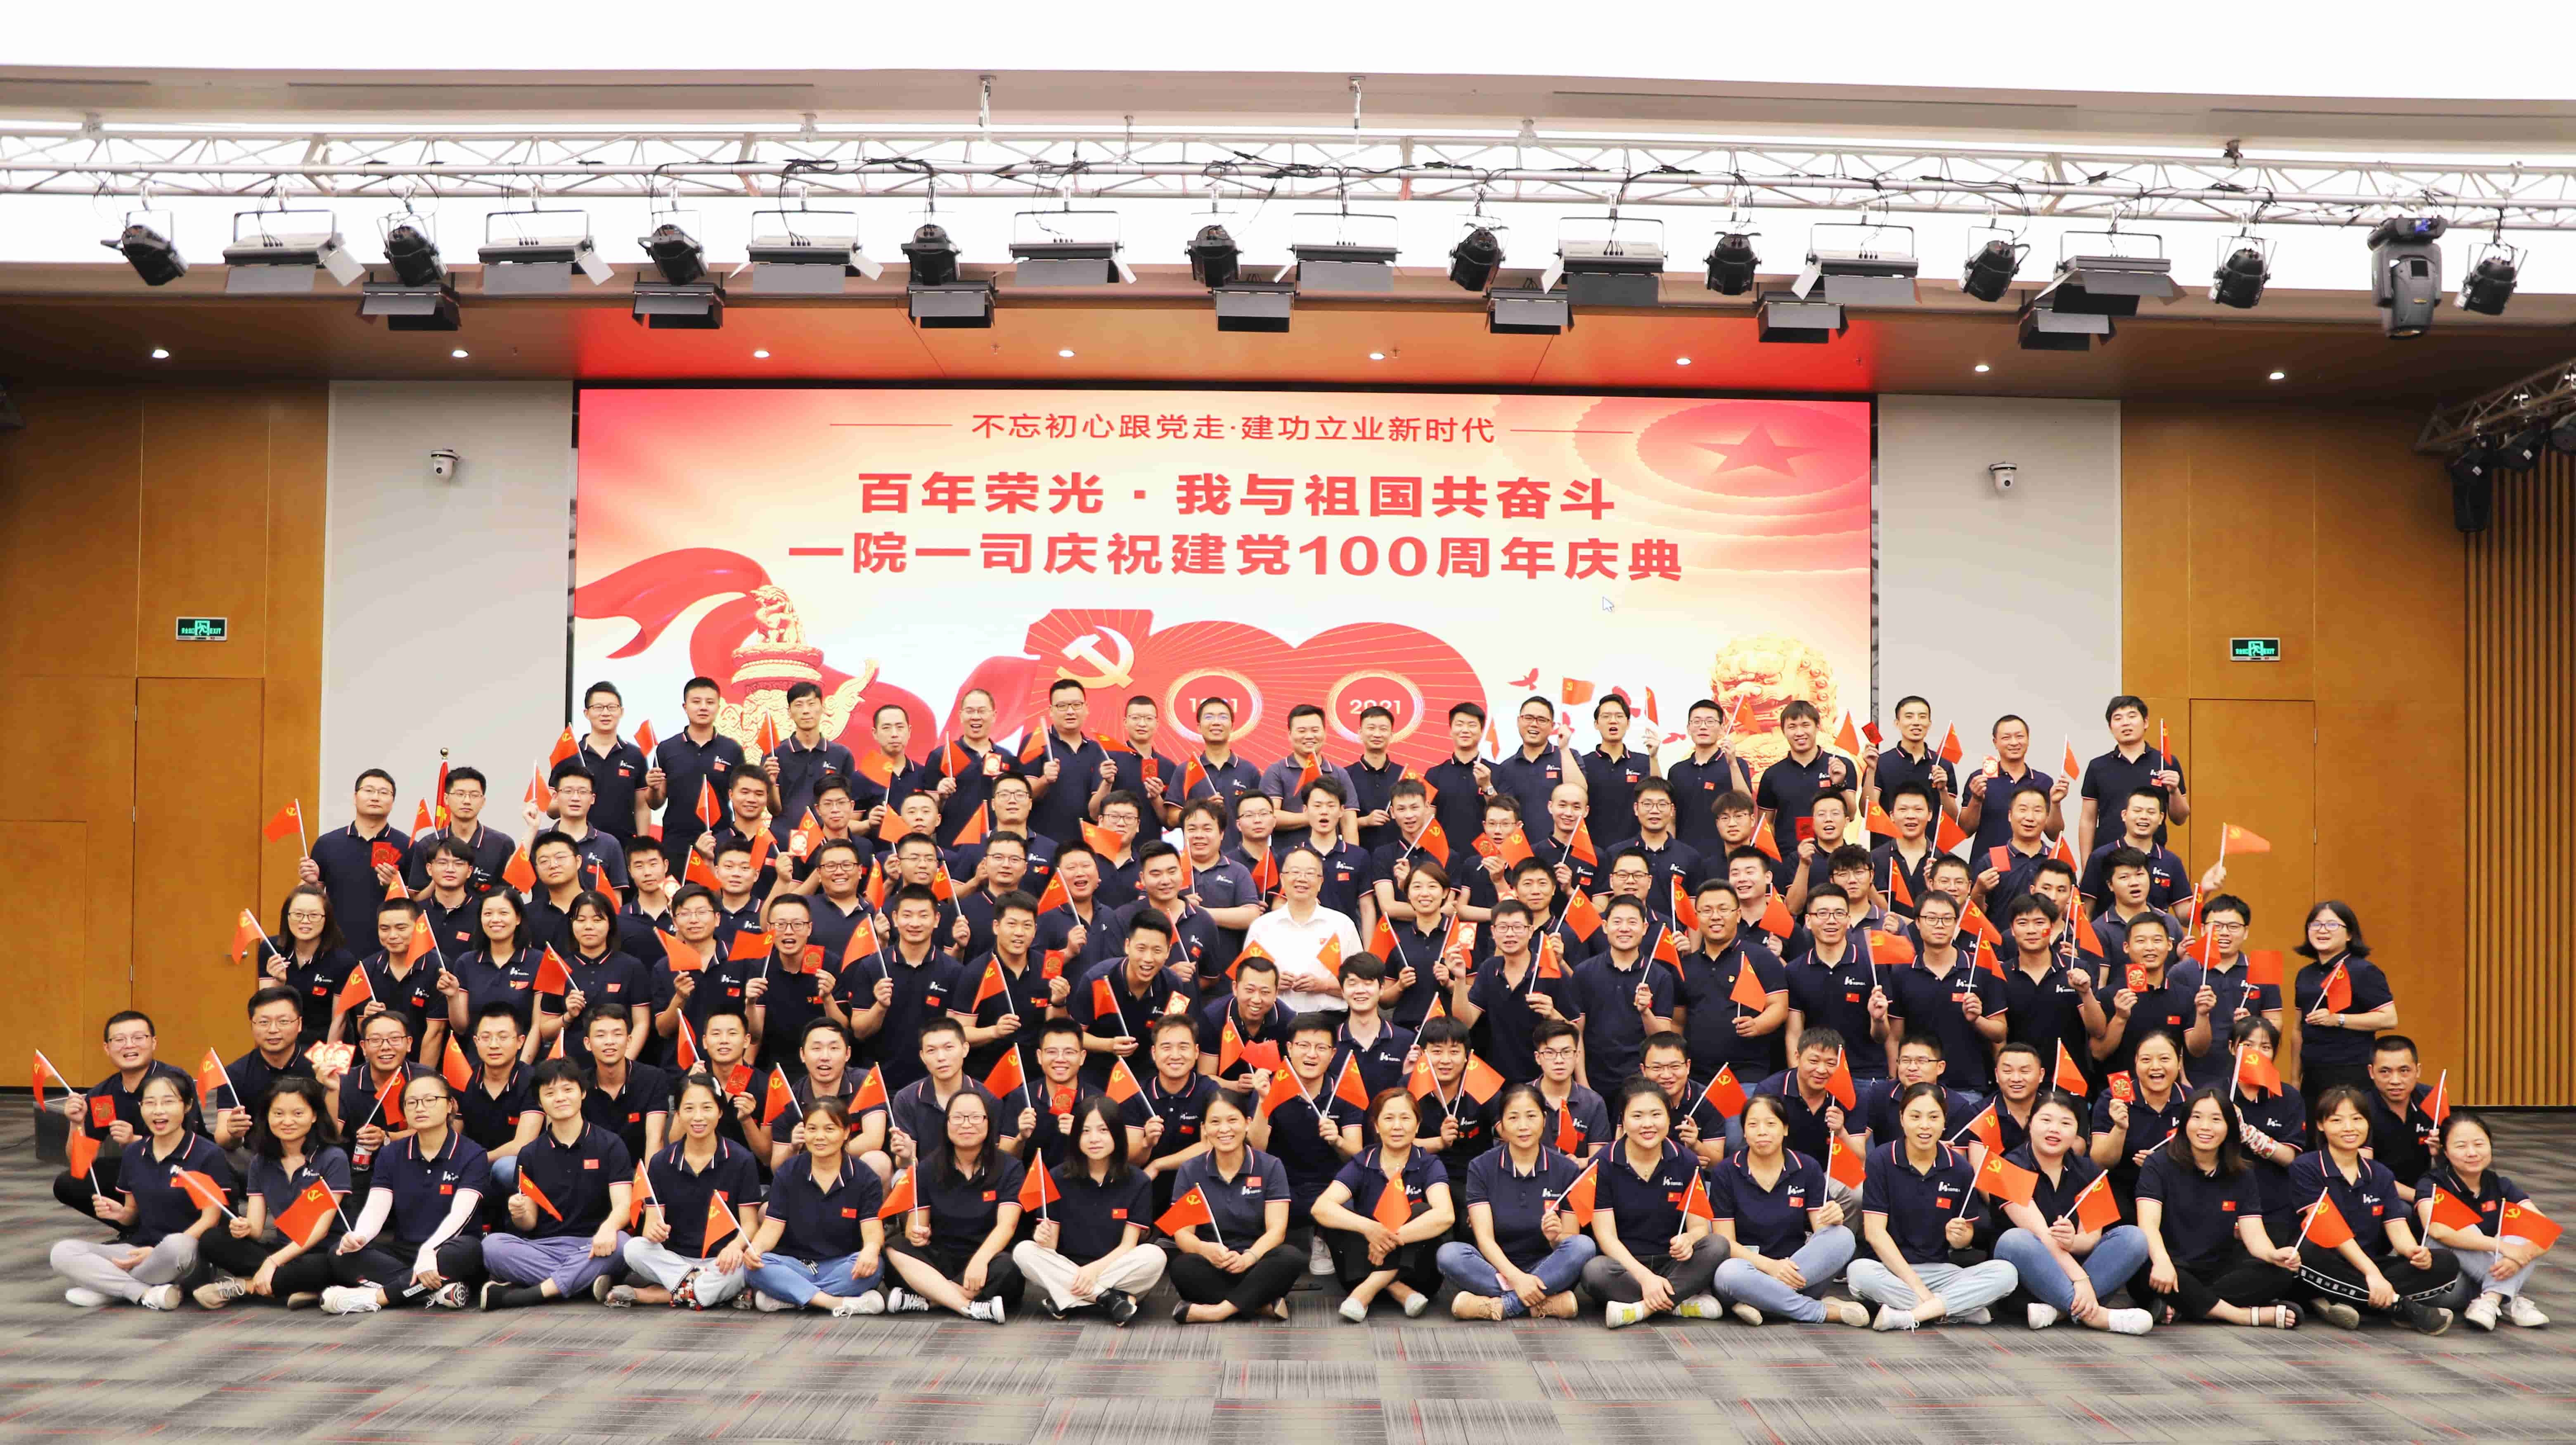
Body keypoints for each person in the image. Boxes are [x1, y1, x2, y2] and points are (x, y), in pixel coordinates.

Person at [48, 1072, 229, 1311]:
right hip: (138, 1250)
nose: (158, 1111)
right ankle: (145, 1292)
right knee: (62, 1252)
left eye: (168, 1102)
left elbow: (211, 1218)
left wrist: (156, 1253)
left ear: (187, 1106)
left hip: (187, 1254)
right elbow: (131, 1214)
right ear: (141, 1107)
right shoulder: (134, 1153)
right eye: (150, 1103)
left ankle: (110, 1289)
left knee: (178, 1244)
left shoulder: (208, 1154)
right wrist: (120, 1214)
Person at [1849, 1082, 2020, 1330]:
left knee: (2006, 1273)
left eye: (1933, 1117)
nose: (1925, 1125)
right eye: (1915, 1117)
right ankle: (1952, 1309)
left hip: (1940, 1272)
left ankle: (1911, 1315)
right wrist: (1919, 1288)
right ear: (1902, 1118)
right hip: (1890, 1269)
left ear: (1944, 1121)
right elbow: (1875, 1234)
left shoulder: (1960, 1169)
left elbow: (1963, 1242)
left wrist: (1960, 1237)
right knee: (1859, 1272)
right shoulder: (1881, 1160)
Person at [2287, 1085, 2457, 1334]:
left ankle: (2342, 1299)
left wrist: (2414, 1252)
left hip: (2366, 1265)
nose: (2349, 1128)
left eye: (2357, 1119)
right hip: (2325, 1262)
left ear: (2368, 1123)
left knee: (2445, 1262)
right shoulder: (2306, 1167)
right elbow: (2330, 1229)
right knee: (2306, 1250)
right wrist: (2372, 1274)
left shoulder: (2380, 1174)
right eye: (2337, 1120)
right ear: (2321, 1125)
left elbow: (2397, 1226)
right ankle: (2399, 1306)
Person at [2133, 1087, 2304, 1328]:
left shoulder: (2243, 1173)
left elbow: (2255, 1236)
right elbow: (2148, 1225)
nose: (2206, 1127)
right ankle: (2240, 1315)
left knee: (2280, 1274)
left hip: (2215, 1269)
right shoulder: (2158, 1164)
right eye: (2197, 1117)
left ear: (2230, 1127)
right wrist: (2162, 1262)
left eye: (2216, 1119)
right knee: (2143, 1269)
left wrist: (2273, 1255)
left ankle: (2186, 1306)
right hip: (2169, 1263)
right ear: (2184, 1122)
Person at [478, 1058, 636, 1310]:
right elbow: (529, 1223)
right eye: (550, 1093)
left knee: (624, 1244)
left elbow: (624, 1205)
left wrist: (608, 1229)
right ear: (540, 1102)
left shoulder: (610, 1145)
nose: (560, 1098)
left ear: (583, 1093)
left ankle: (530, 1294)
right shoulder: (530, 1153)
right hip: (544, 1247)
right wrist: (519, 1213)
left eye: (568, 1090)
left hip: (594, 1243)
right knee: (492, 1246)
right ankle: (584, 1283)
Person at [322, 1072, 487, 1312]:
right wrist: (360, 1237)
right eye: (412, 1102)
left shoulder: (473, 1154)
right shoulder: (391, 1153)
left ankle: (377, 1298)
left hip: (448, 1249)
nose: (420, 1108)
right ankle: (431, 1291)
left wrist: (431, 1251)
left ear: (451, 1105)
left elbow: (461, 1215)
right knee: (340, 1253)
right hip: (405, 1251)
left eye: (430, 1100)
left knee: (467, 1252)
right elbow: (377, 1207)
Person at [1991, 1089, 2153, 1332]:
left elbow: (2091, 1238)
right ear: (2030, 1123)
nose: (2055, 1130)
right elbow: (2042, 1235)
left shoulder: (2089, 1171)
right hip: (2031, 1276)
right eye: (2046, 1120)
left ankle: (2060, 1311)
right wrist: (2080, 1279)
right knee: (2016, 1240)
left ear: (2078, 1132)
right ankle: (2097, 1316)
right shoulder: (2008, 1167)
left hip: (2080, 1274)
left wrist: (2073, 1242)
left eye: (2066, 1123)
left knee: (2134, 1237)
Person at [1707, 1093, 1869, 1327]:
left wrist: (1834, 1217)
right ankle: (1819, 1311)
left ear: (1785, 1129)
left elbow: (1822, 1231)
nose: (1762, 1131)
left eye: (1771, 1124)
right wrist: (1771, 1267)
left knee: (1842, 1236)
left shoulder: (1807, 1167)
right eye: (1753, 1125)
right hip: (1748, 1269)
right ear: (1744, 1132)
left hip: (1799, 1273)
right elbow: (1726, 1243)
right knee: (1728, 1272)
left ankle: (1762, 1301)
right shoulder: (1726, 1172)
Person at [1438, 1083, 1596, 1319]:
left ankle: (1500, 1306)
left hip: (1548, 1267)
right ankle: (1542, 1304)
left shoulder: (1566, 1169)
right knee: (1449, 1254)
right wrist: (1518, 1279)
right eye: (1513, 1118)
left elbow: (1571, 1239)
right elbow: (1485, 1240)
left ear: (1544, 1120)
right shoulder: (1481, 1167)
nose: (1523, 1126)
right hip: (1496, 1269)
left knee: (1583, 1246)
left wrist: (1556, 1238)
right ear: (1501, 1125)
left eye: (1531, 1116)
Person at [192, 1075, 350, 1309]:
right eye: (278, 1114)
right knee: (212, 1240)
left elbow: (320, 1231)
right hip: (284, 1250)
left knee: (322, 1266)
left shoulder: (332, 1158)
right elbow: (257, 1229)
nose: (287, 1121)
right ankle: (296, 1290)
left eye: (298, 1113)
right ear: (267, 1116)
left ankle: (246, 1287)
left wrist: (272, 1263)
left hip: (324, 1250)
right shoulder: (261, 1162)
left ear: (314, 1116)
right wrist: (244, 1227)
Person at [610, 1073, 763, 1309]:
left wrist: (735, 1247)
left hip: (722, 1260)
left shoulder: (741, 1160)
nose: (698, 1117)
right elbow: (652, 1224)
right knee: (633, 1248)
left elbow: (750, 1226)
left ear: (720, 1112)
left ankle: (654, 1295)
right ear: (678, 1115)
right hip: (676, 1259)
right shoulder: (661, 1162)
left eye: (707, 1108)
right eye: (689, 1109)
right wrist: (655, 1232)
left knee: (746, 1267)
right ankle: (702, 1290)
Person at [1010, 1096, 1164, 1324]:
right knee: (1024, 1251)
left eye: (1103, 1130)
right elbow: (1051, 1245)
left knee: (1155, 1256)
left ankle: (1067, 1298)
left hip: (1115, 1268)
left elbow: (1128, 1246)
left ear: (1117, 1134)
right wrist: (1042, 1238)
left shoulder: (1138, 1181)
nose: (1094, 1139)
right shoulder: (1057, 1177)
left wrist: (1093, 1272)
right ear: (1076, 1137)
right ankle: (1109, 1299)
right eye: (1085, 1131)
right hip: (1067, 1265)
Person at [1579, 1079, 1720, 1328]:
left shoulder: (1686, 1161)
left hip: (1674, 1263)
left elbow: (1700, 1227)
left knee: (1717, 1246)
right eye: (1637, 1116)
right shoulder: (1603, 1163)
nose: (1648, 1124)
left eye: (1656, 1115)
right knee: (1595, 1272)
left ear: (1668, 1118)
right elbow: (1606, 1237)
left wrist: (1688, 1240)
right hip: (1626, 1266)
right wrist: (1645, 1278)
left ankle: (1642, 1309)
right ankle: (1678, 1302)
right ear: (1623, 1121)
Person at [1309, 1089, 1456, 1320]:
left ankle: (1365, 1294)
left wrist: (1388, 1239)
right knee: (1339, 1216)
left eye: (1405, 1118)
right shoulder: (1363, 1161)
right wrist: (1370, 1229)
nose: (1397, 1126)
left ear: (1417, 1126)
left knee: (1421, 1211)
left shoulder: (1429, 1164)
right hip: (1363, 1266)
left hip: (1418, 1276)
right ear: (1377, 1126)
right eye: (1389, 1118)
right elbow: (1320, 1208)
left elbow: (1446, 1215)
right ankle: (1399, 1291)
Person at [1166, 1089, 1309, 1324]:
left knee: (1290, 1257)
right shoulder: (1190, 1170)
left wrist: (1249, 1258)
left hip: (1258, 1263)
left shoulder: (1271, 1166)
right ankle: (1260, 1306)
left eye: (1233, 1120)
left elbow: (1277, 1231)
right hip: (1214, 1264)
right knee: (1182, 1267)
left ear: (1247, 1123)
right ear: (1204, 1129)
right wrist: (1206, 1250)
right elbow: (1183, 1235)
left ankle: (1217, 1312)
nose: (1224, 1129)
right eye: (1215, 1122)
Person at [884, 1090, 1024, 1323]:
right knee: (893, 1248)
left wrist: (980, 1260)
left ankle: (930, 1298)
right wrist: (917, 1233)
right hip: (940, 1257)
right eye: (958, 1118)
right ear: (947, 1124)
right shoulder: (928, 1167)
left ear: (989, 1123)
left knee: (1008, 1269)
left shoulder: (1010, 1168)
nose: (966, 1124)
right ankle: (967, 1306)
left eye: (975, 1117)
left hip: (987, 1257)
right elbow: (916, 1227)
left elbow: (1007, 1226)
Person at [745, 1097, 887, 1315]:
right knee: (756, 1266)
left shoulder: (865, 1178)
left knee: (875, 1265)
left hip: (842, 1265)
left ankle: (792, 1297)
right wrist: (756, 1249)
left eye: (829, 1129)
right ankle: (833, 1303)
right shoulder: (789, 1172)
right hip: (796, 1264)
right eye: (812, 1129)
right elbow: (772, 1227)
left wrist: (870, 1250)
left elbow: (872, 1231)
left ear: (846, 1132)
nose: (820, 1137)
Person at [2416, 1108, 2552, 1330]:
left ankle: (2491, 1299)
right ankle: (2508, 1297)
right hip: (2446, 1279)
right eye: (2461, 1146)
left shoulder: (2500, 1184)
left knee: (2525, 1232)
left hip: (2479, 1272)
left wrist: (2520, 1256)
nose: (2472, 1153)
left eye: (2479, 1144)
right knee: (2460, 1227)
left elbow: (2545, 1230)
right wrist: (2503, 1247)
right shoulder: (2433, 1183)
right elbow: (2438, 1230)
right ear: (2445, 1151)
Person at [1672, 879, 1789, 1088]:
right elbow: (1678, 1023)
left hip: (1748, 1076)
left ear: (1738, 915)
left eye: (1723, 909)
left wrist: (1758, 1025)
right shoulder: (1685, 966)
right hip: (1695, 1079)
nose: (1715, 916)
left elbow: (1779, 1007)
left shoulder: (1761, 958)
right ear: (1697, 916)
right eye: (1707, 910)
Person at [2290, 902, 2396, 1104]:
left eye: (2332, 925)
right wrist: (2295, 1079)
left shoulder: (2364, 971)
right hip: (2312, 1075)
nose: (2322, 930)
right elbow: (2298, 1030)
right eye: (2316, 925)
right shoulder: (2305, 974)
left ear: (2349, 935)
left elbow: (2389, 1018)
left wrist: (2338, 1019)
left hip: (2351, 1073)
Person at [1241, 848, 1363, 1015]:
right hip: (1275, 1017)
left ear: (1321, 882)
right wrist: (1271, 983)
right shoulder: (1262, 926)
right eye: (1295, 872)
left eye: (1310, 873)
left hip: (1328, 1018)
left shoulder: (1342, 924)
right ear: (1283, 880)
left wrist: (1324, 986)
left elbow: (1361, 983)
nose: (1302, 879)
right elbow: (1245, 982)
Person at [1121, 1016, 1220, 1215]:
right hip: (1148, 1188)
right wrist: (1147, 1144)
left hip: (1197, 1187)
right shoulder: (1137, 1093)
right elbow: (1131, 1161)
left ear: (1196, 1052)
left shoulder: (1210, 1091)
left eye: (1184, 1047)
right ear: (1154, 1053)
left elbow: (1210, 1145)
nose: (1175, 1055)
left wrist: (1159, 1165)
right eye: (1167, 1048)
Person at [301, 768, 409, 948]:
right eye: (369, 791)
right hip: (334, 945)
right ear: (355, 797)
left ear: (393, 801)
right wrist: (311, 883)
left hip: (389, 946)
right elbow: (310, 899)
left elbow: (417, 902)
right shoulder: (327, 843)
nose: (375, 797)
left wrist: (395, 887)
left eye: (384, 793)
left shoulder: (408, 845)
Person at [646, 677, 747, 866]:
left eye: (710, 702)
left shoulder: (732, 750)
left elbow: (740, 797)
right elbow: (655, 803)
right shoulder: (667, 749)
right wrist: (652, 788)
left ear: (719, 707)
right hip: (677, 842)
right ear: (685, 707)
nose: (703, 708)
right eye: (696, 702)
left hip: (720, 840)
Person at [2075, 696, 2188, 859]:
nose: (2125, 723)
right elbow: (2088, 820)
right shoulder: (2098, 766)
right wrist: (2087, 864)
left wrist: (2174, 791)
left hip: (2150, 857)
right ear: (2110, 727)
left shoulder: (2166, 762)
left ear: (2146, 722)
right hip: (2108, 858)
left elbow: (2180, 818)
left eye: (2132, 716)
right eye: (2118, 718)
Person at [2088, 1028, 2187, 1213]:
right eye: (2146, 1060)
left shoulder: (2192, 1101)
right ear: (2136, 1062)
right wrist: (2120, 1128)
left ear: (2179, 1062)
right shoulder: (2113, 1098)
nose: (2156, 1066)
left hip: (2175, 1192)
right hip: (2121, 1193)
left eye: (2165, 1059)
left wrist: (2161, 1164)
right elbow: (2100, 1162)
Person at [214, 986, 317, 1158]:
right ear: (252, 1025)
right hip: (258, 1157)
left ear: (299, 1024)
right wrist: (233, 1133)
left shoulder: (320, 1064)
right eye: (264, 1022)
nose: (273, 1030)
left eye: (283, 1021)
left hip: (313, 1154)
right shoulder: (235, 1073)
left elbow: (335, 1129)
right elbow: (222, 1137)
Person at [254, 884, 358, 1047]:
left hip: (325, 1043)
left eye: (314, 915)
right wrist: (279, 982)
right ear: (287, 916)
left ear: (327, 919)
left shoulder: (343, 960)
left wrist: (327, 1060)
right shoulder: (271, 949)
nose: (305, 921)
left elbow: (339, 1023)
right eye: (298, 914)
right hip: (284, 1041)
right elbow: (265, 1010)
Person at [2363, 1034, 2437, 1200]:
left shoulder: (2432, 1099)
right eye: (2385, 1072)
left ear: (2418, 1071)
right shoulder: (2360, 1107)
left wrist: (2440, 1153)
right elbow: (2368, 1172)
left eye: (2404, 1071)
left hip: (2423, 1185)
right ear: (2371, 1072)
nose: (2395, 1081)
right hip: (2376, 1192)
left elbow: (2451, 1160)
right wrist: (2422, 1198)